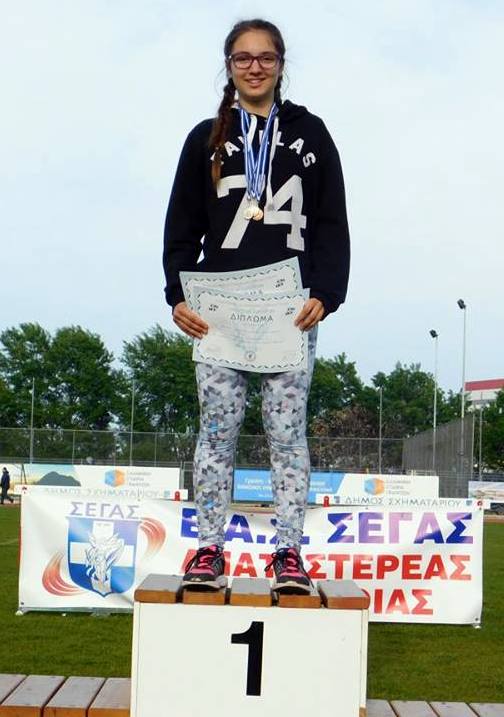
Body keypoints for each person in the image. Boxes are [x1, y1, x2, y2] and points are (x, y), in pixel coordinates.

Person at [163, 19, 350, 593]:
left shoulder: (310, 133)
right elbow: (181, 224)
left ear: (280, 64)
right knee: (216, 434)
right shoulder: (205, 138)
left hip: (288, 309)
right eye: (243, 58)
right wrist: (177, 294)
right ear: (229, 66)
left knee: (287, 435)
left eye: (265, 57)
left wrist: (327, 291)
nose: (254, 67)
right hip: (220, 310)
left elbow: (331, 221)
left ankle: (288, 553)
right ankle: (209, 550)